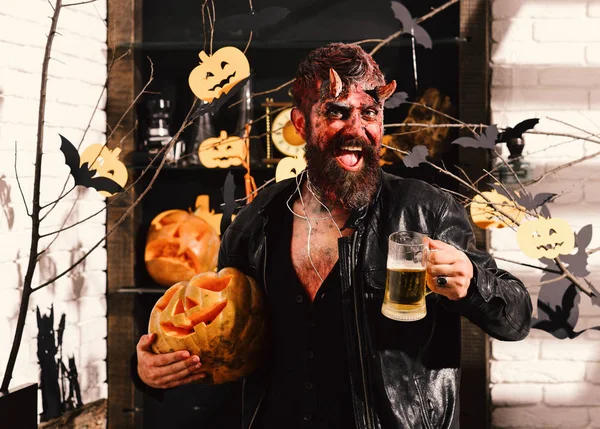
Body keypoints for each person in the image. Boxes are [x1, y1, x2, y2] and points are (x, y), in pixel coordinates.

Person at [135, 43, 532, 429]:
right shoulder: (258, 219)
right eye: (337, 113)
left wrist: (472, 283)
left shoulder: (426, 208)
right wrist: (149, 371)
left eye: (370, 113)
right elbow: (222, 335)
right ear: (301, 124)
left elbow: (516, 318)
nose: (356, 130)